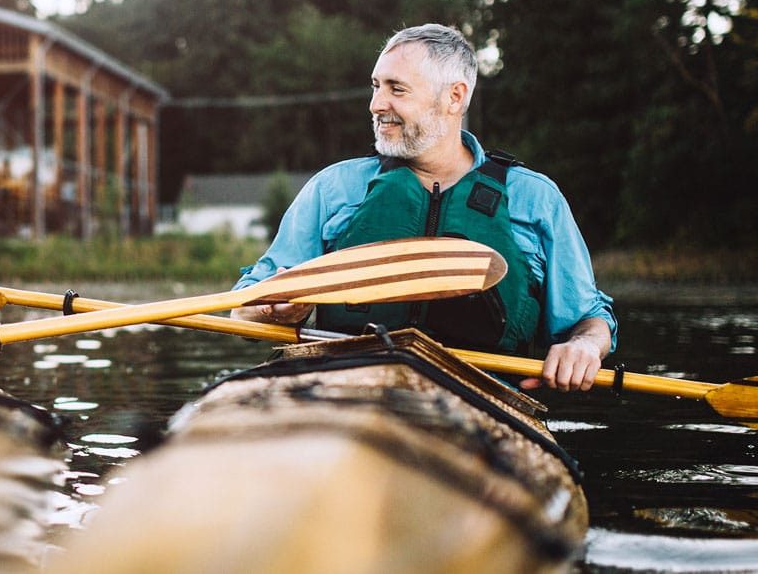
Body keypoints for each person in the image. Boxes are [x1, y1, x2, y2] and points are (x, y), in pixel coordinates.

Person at [231, 24, 616, 393]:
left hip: (480, 402)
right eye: (376, 86)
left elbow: (587, 319)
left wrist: (584, 345)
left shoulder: (536, 200)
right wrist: (274, 310)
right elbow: (242, 309)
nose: (376, 104)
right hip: (343, 392)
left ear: (454, 97)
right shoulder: (333, 189)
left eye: (396, 89)